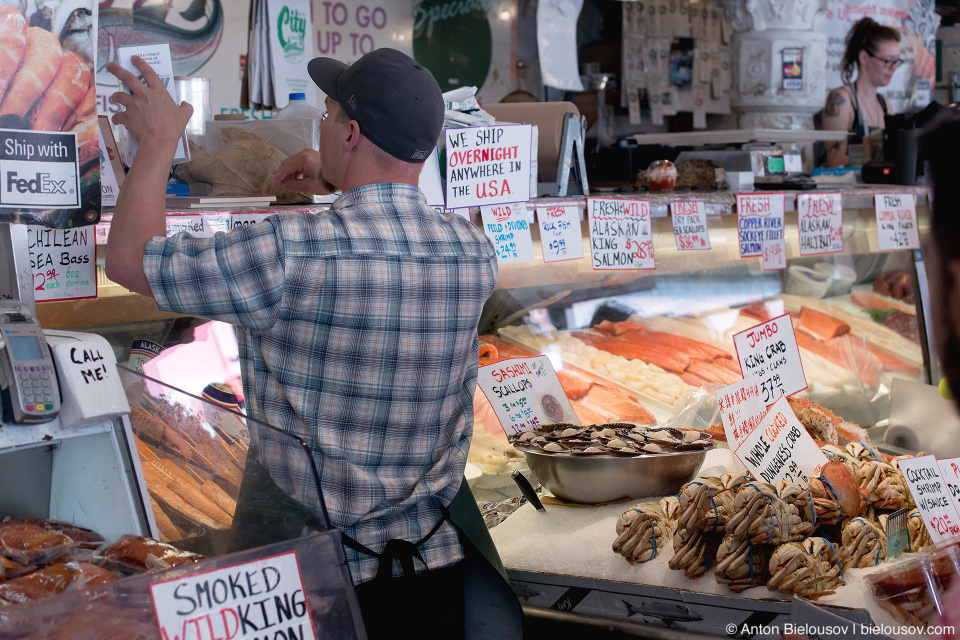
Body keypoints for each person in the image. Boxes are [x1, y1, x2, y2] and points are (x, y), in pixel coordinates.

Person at [105, 49, 520, 638]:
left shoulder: (289, 251)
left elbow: (126, 259)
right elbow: (381, 225)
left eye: (327, 117)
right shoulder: (472, 253)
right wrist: (334, 177)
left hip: (312, 583)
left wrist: (158, 142)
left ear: (350, 133)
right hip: (430, 569)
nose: (320, 129)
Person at [821, 18, 902, 167]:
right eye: (888, 61)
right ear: (864, 57)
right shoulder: (841, 99)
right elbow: (834, 160)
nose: (893, 68)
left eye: (896, 61)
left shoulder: (884, 103)